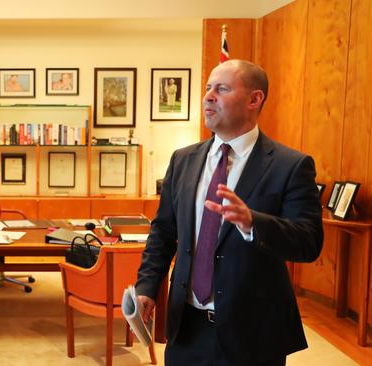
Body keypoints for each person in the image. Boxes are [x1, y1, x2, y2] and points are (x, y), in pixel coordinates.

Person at [136, 59, 323, 366]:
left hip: (253, 333)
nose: (209, 96)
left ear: (254, 99)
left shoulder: (291, 165)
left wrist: (253, 222)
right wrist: (146, 287)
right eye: (208, 88)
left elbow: (309, 242)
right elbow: (164, 231)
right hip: (186, 328)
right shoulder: (183, 160)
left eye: (221, 88)